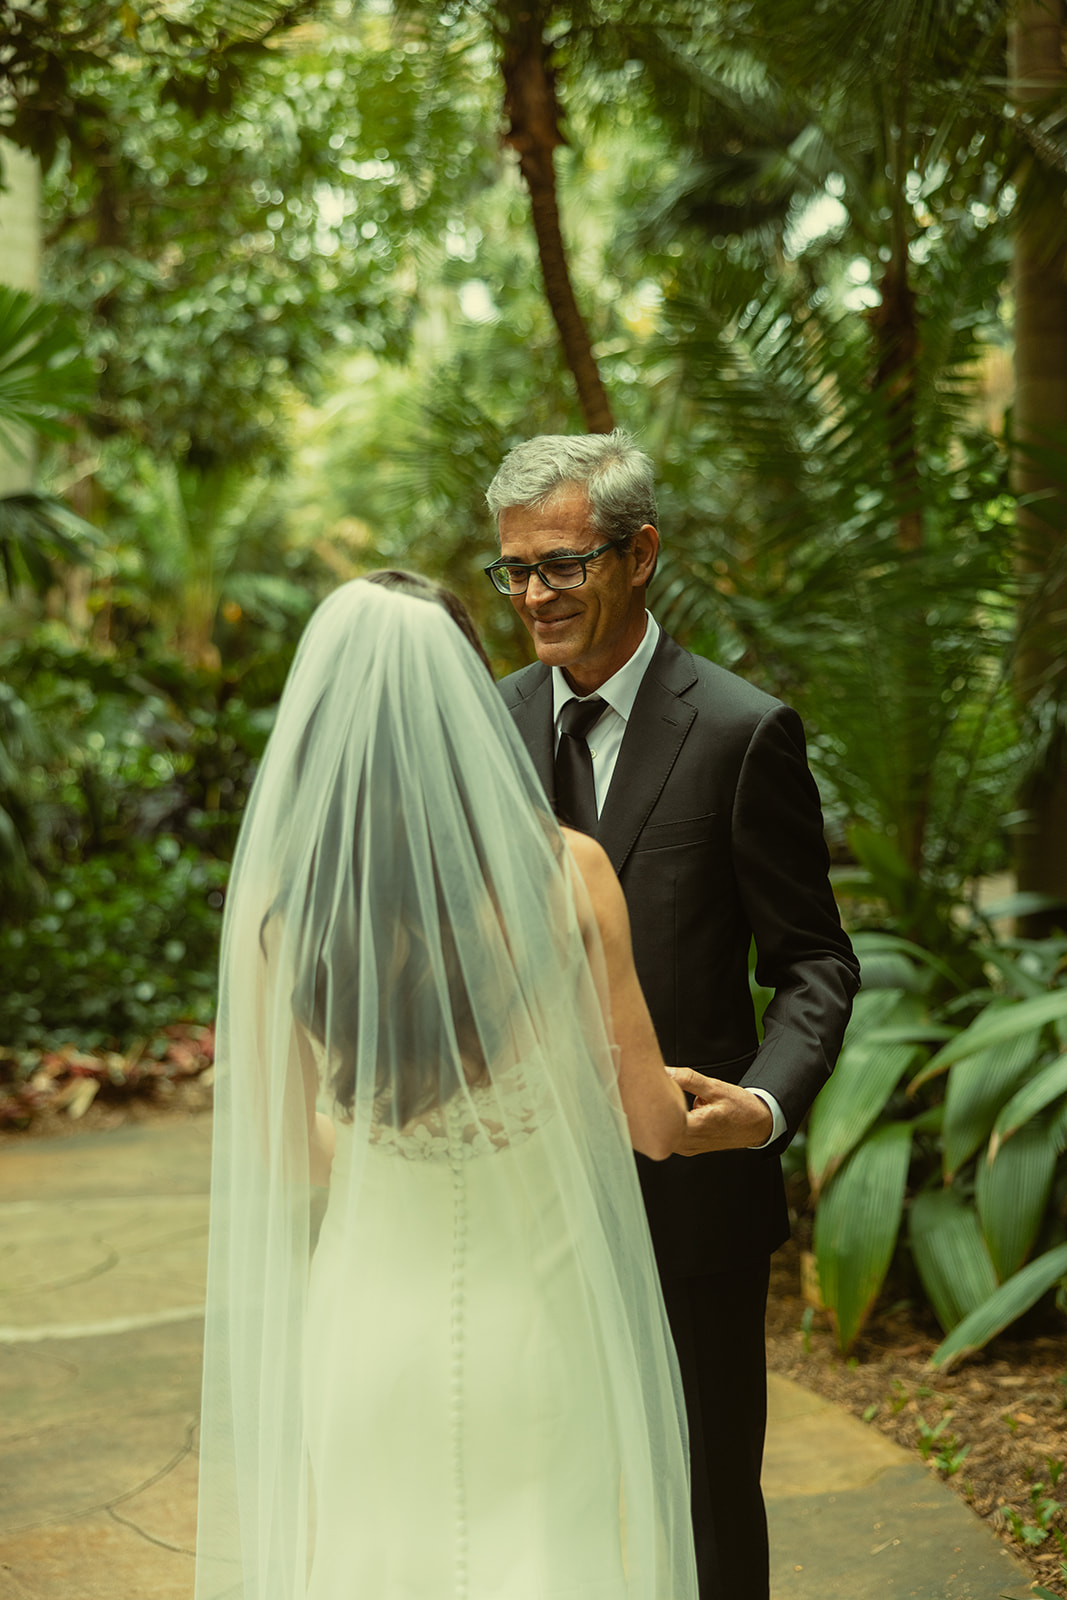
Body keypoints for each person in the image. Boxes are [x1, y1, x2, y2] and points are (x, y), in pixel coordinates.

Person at [194, 573, 699, 1600]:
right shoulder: (570, 873)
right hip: (538, 1333)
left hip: (369, 1334)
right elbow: (650, 1122)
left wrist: (390, 1130)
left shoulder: (284, 920)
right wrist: (731, 1112)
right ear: (468, 705)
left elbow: (290, 1157)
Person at [485, 432, 862, 1600]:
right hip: (518, 1210)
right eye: (514, 571)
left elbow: (813, 962)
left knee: (703, 1506)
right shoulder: (479, 729)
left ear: (638, 551)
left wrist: (757, 1106)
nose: (534, 597)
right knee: (543, 1499)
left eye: (562, 565)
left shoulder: (744, 731)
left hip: (689, 1204)